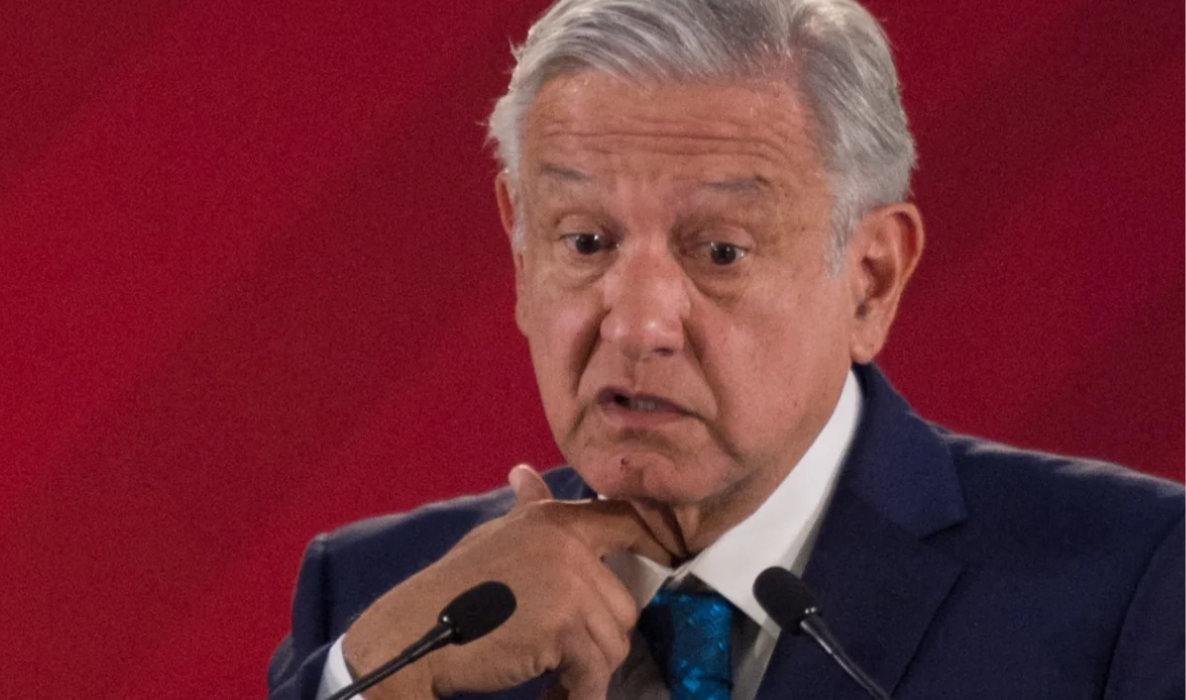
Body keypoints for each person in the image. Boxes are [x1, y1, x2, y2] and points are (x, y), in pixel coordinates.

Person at [267, 0, 1184, 698]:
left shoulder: (1131, 584)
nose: (636, 325)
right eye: (585, 241)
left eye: (720, 252)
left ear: (870, 278)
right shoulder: (381, 604)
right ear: (520, 249)